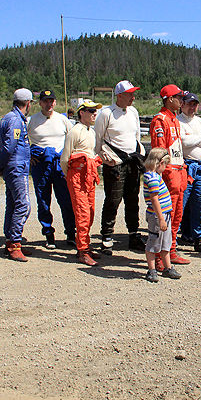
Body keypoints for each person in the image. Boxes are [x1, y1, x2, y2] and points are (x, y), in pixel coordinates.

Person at [95, 80, 146, 255]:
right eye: (130, 94)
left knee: (133, 201)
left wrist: (140, 155)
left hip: (132, 162)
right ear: (119, 95)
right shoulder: (106, 114)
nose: (133, 97)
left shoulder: (133, 112)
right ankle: (107, 237)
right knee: (113, 200)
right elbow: (98, 140)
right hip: (115, 164)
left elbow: (137, 136)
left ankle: (134, 235)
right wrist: (104, 158)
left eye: (133, 93)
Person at [28, 89, 75, 250]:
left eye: (51, 101)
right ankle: (48, 234)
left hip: (59, 163)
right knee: (43, 201)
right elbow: (21, 141)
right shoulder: (31, 120)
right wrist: (29, 155)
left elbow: (72, 138)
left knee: (66, 200)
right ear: (40, 103)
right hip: (40, 164)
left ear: (55, 102)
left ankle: (71, 233)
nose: (49, 104)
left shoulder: (63, 120)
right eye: (45, 101)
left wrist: (69, 158)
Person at [149, 84, 190, 265]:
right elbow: (159, 150)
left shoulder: (174, 119)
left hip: (179, 171)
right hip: (170, 173)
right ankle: (159, 255)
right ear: (169, 99)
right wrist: (165, 172)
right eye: (178, 97)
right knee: (166, 215)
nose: (181, 100)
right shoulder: (160, 120)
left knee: (177, 215)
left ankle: (171, 250)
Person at [61, 100, 103, 266]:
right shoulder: (75, 132)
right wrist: (71, 176)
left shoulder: (91, 132)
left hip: (89, 176)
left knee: (91, 211)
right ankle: (83, 250)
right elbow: (65, 159)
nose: (94, 114)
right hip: (77, 175)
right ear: (81, 113)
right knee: (82, 213)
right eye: (91, 111)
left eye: (95, 111)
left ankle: (85, 244)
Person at [0, 88, 33, 261]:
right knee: (23, 205)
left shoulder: (10, 118)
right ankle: (14, 243)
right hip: (16, 167)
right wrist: (0, 165)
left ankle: (10, 240)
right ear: (28, 103)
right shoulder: (16, 121)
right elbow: (10, 146)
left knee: (12, 205)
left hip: (13, 167)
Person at [177, 92, 201, 253]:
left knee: (200, 204)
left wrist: (192, 138)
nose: (192, 107)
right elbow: (182, 142)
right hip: (185, 168)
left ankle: (199, 239)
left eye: (195, 104)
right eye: (189, 103)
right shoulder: (177, 122)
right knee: (181, 204)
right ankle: (173, 241)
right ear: (182, 104)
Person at [141, 148, 182, 283]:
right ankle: (151, 269)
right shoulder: (151, 177)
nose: (166, 168)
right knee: (153, 242)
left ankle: (167, 267)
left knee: (166, 242)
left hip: (165, 215)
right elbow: (154, 199)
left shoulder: (156, 176)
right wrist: (161, 219)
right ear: (160, 163)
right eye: (165, 164)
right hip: (158, 216)